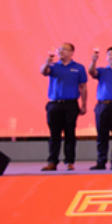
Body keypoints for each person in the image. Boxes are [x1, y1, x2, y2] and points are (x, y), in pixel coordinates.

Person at [39, 43, 88, 171]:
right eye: (59, 49)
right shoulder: (53, 66)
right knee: (54, 134)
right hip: (54, 104)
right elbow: (43, 72)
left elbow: (83, 87)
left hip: (71, 104)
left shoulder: (79, 68)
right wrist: (47, 63)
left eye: (64, 49)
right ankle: (52, 162)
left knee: (70, 134)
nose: (61, 52)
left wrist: (84, 104)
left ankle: (69, 161)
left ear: (72, 52)